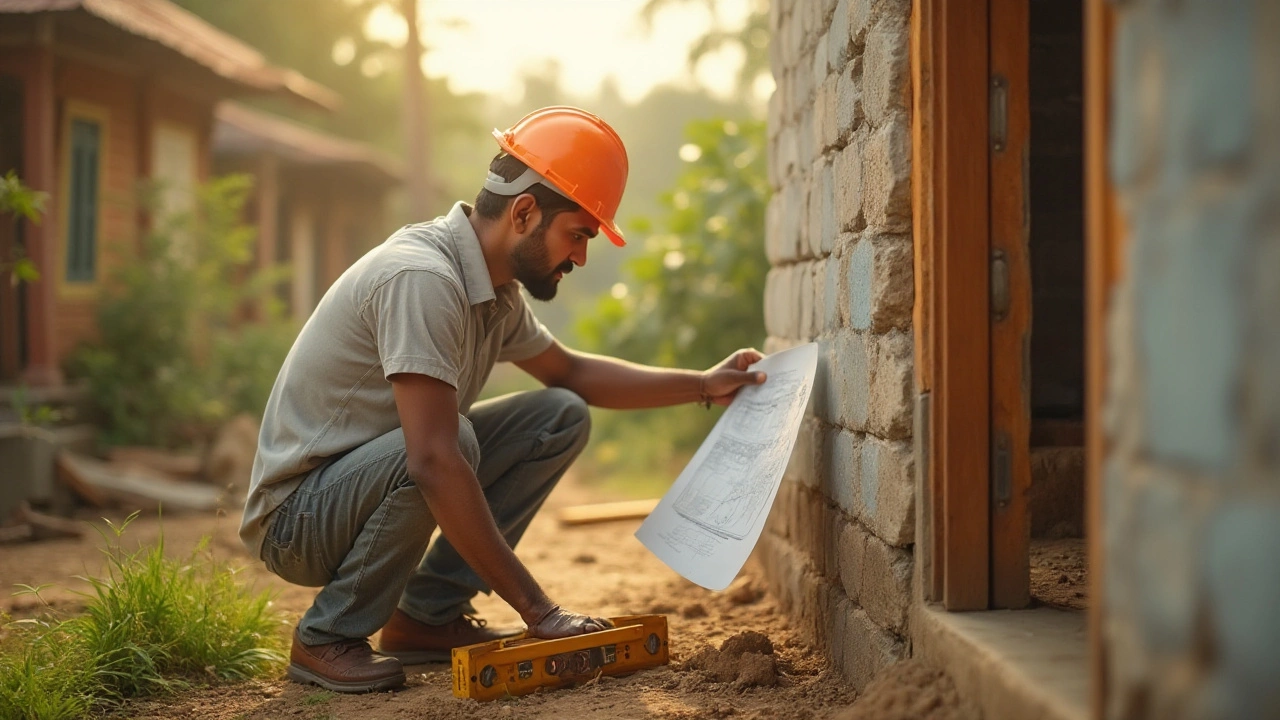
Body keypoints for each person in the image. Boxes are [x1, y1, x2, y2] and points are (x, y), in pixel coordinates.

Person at [239, 106, 767, 693]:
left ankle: (426, 616)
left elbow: (571, 373)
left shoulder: (495, 292)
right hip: (298, 522)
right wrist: (541, 612)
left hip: (356, 489)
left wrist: (700, 383)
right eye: (579, 235)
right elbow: (432, 462)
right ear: (524, 213)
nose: (582, 257)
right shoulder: (424, 280)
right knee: (448, 446)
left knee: (558, 415)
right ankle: (326, 636)